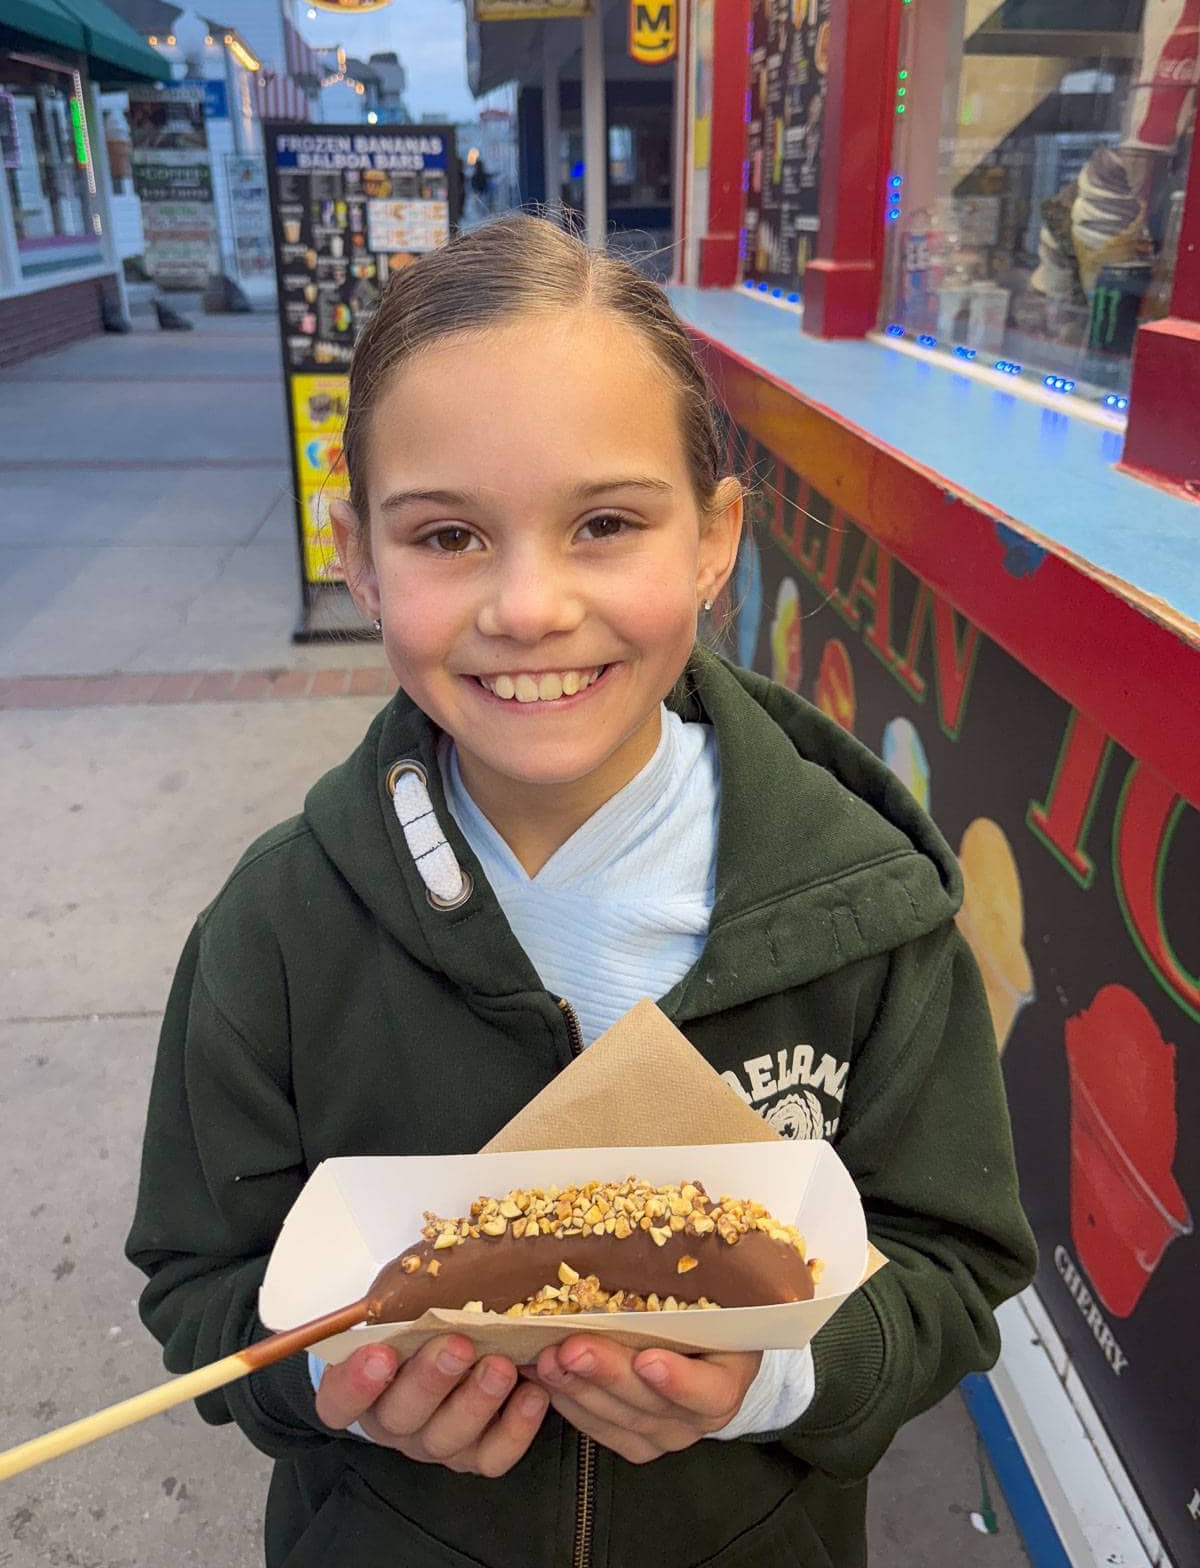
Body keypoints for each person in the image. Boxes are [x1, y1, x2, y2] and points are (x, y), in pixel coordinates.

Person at [127, 214, 1036, 1567]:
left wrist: (774, 1379)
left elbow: (952, 1270)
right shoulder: (277, 935)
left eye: (605, 522)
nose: (531, 606)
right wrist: (328, 1386)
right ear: (361, 558)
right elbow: (206, 1287)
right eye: (448, 536)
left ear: (716, 539)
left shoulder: (870, 920)